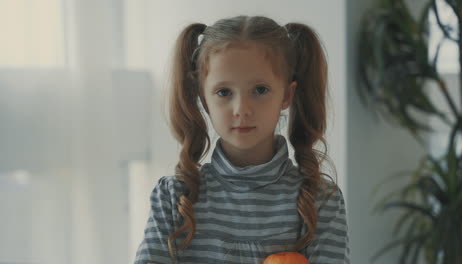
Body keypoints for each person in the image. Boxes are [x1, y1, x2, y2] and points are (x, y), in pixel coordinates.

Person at [134, 15, 350, 264]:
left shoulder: (321, 201)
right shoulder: (173, 198)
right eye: (224, 92)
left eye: (260, 90)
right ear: (203, 98)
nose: (242, 109)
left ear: (286, 95)